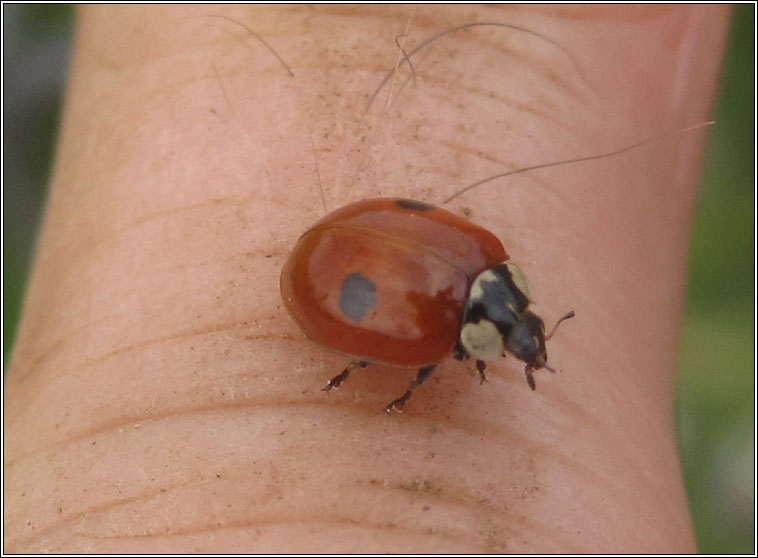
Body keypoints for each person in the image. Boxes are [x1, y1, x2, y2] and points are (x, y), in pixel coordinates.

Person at [4, 4, 729, 552]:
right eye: (517, 339)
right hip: (324, 267)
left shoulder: (481, 251)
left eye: (518, 338)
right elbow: (424, 358)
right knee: (412, 366)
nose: (519, 344)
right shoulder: (446, 318)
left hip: (346, 247)